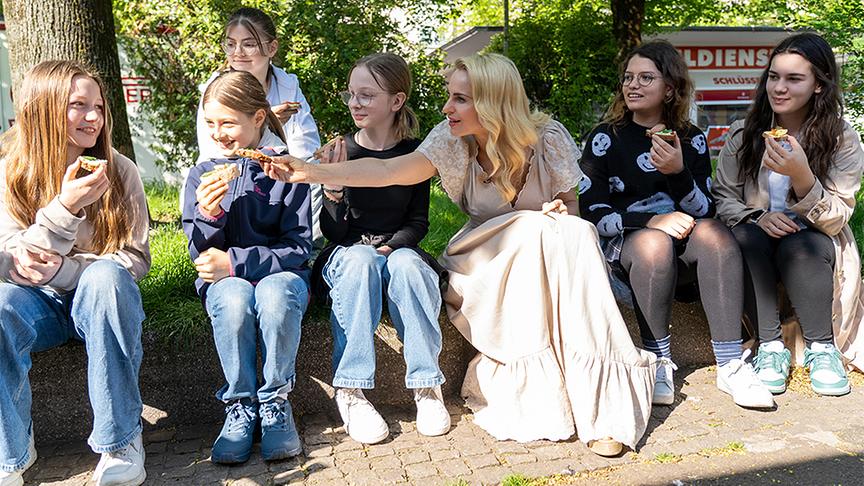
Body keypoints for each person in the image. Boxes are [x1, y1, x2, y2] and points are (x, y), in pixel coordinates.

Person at [263, 52, 656, 456]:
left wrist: (558, 211)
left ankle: (603, 401)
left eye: (461, 99)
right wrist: (311, 172)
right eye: (451, 97)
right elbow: (388, 173)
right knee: (540, 229)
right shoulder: (450, 139)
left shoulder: (548, 138)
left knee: (572, 231)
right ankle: (542, 397)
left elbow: (569, 206)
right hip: (482, 258)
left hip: (541, 255)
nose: (447, 107)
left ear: (493, 101)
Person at [578, 41, 774, 409]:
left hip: (684, 246)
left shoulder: (691, 137)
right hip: (629, 247)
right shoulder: (607, 137)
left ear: (669, 88)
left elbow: (705, 209)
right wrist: (651, 220)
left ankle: (731, 363)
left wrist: (678, 173)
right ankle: (657, 361)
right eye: (628, 77)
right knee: (655, 243)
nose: (632, 85)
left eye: (646, 78)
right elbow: (590, 211)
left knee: (716, 233)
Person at [0, 61, 150, 486]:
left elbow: (134, 259)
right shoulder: (10, 170)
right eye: (78, 106)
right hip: (35, 303)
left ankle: (120, 441)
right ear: (45, 109)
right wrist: (63, 210)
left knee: (105, 278)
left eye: (98, 107)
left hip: (102, 297)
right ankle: (10, 451)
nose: (93, 118)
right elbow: (7, 256)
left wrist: (66, 270)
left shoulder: (119, 170)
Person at [713, 32, 864, 396]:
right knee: (745, 236)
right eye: (774, 76)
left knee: (802, 244)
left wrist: (803, 177)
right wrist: (756, 217)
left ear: (818, 85)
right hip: (757, 239)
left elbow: (837, 217)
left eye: (794, 79)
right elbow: (723, 197)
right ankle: (770, 347)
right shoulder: (744, 134)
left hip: (816, 240)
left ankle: (822, 348)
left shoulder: (841, 138)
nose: (779, 87)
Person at [311, 53, 449, 444]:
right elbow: (334, 233)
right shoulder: (342, 151)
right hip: (349, 253)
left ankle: (426, 386)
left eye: (367, 95)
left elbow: (418, 223)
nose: (355, 103)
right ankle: (351, 390)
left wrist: (391, 249)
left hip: (397, 251)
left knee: (406, 266)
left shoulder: (416, 153)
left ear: (397, 100)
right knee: (359, 259)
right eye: (351, 94)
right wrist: (333, 189)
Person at [182, 70, 312, 463]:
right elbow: (201, 255)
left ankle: (275, 403)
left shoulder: (287, 170)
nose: (218, 133)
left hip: (282, 276)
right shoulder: (201, 174)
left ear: (258, 118)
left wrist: (236, 262)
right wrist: (209, 214)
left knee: (272, 294)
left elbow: (299, 246)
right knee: (235, 297)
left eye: (228, 123)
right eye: (210, 123)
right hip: (225, 283)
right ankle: (240, 405)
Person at [194, 7, 323, 247]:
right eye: (230, 44)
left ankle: (306, 247)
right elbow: (216, 150)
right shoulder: (215, 88)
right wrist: (264, 125)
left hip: (280, 178)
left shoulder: (287, 85)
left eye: (249, 44)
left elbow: (307, 148)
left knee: (312, 174)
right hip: (232, 179)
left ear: (271, 48)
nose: (237, 53)